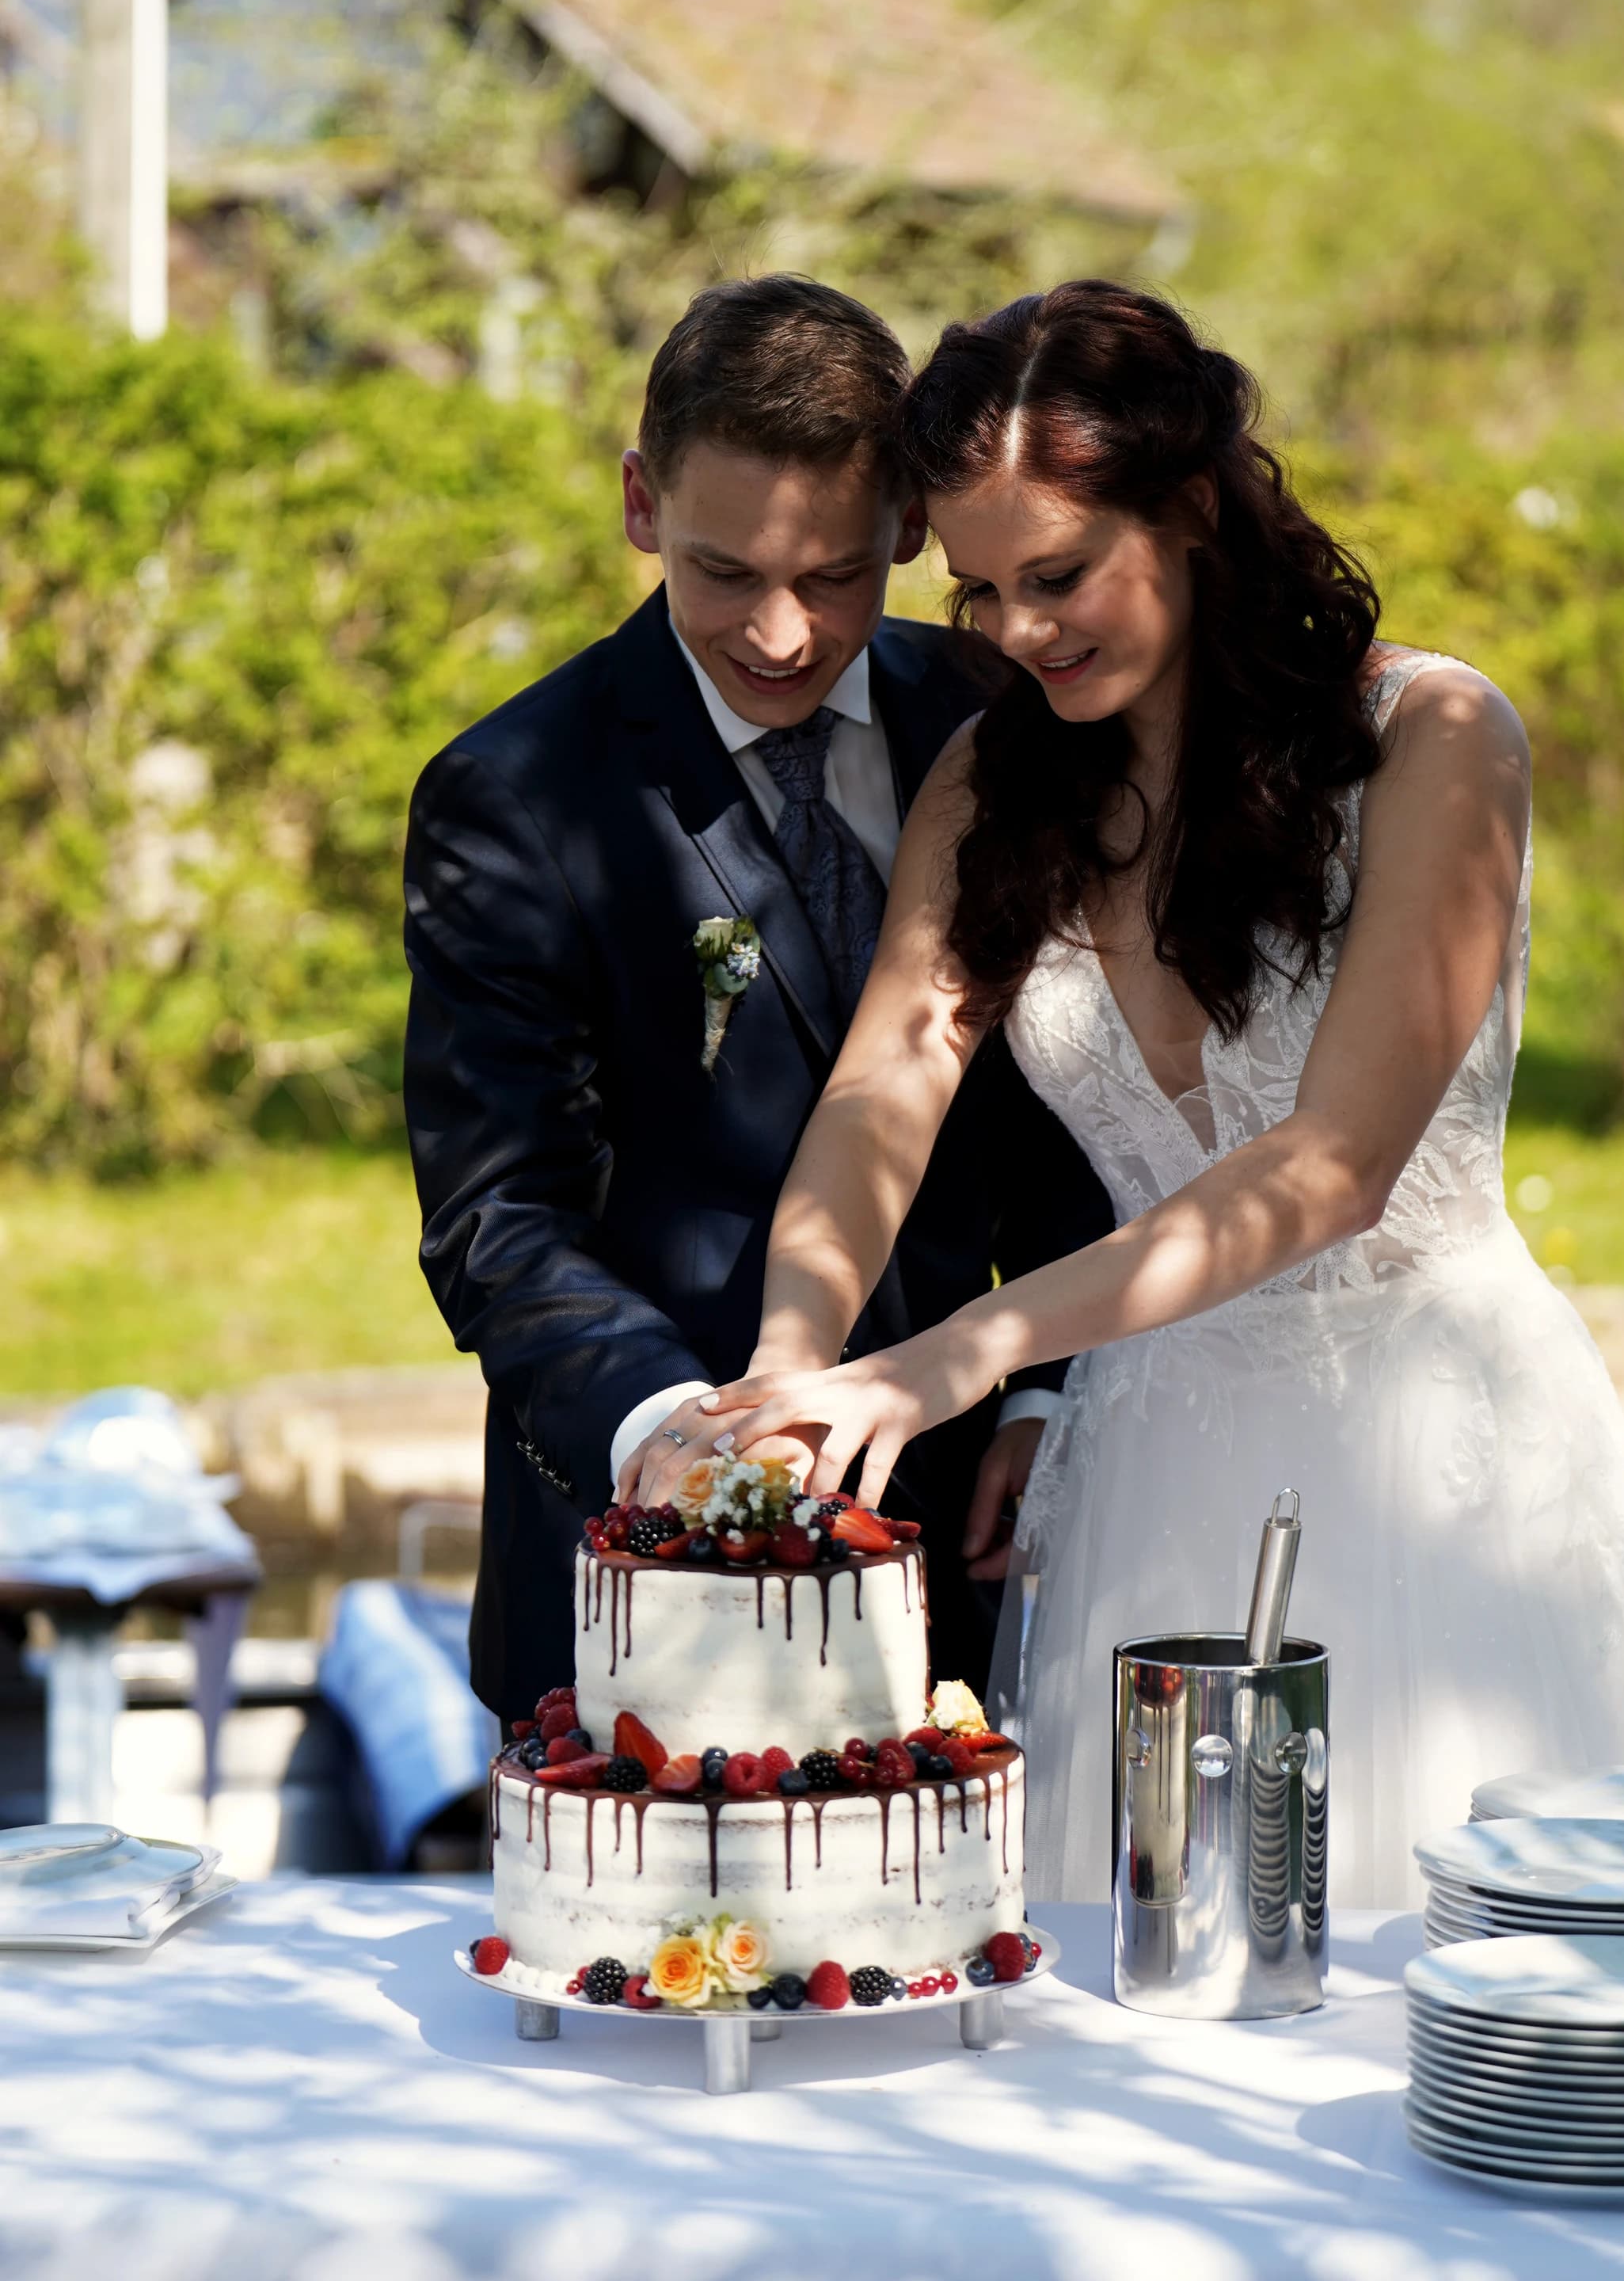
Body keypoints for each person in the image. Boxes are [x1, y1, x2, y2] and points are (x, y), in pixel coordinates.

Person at [660, 280, 1624, 1904]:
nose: (1017, 632)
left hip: (1447, 1475)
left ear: (1183, 515)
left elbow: (1331, 1168)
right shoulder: (990, 779)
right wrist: (787, 1375)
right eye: (976, 591)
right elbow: (886, 1083)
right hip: (1150, 1485)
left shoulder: (1432, 739)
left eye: (1059, 575)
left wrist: (942, 1363)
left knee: (1473, 2022)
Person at [401, 275, 1110, 1723]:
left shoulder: (999, 718)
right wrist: (672, 1430)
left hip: (956, 1534)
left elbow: (1066, 1088)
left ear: (912, 528)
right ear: (640, 504)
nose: (782, 634)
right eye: (728, 572)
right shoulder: (516, 797)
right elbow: (496, 1214)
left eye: (836, 576)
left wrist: (1042, 1392)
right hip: (631, 1571)